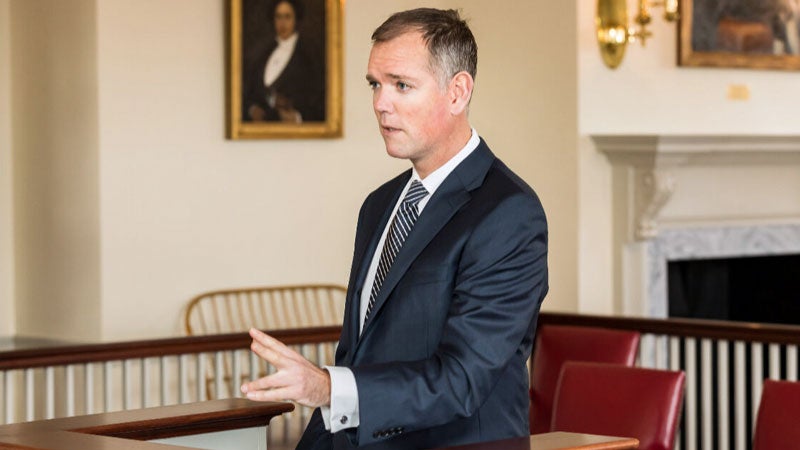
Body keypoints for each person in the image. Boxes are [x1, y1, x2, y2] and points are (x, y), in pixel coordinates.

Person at [240, 8, 548, 449]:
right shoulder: (379, 205)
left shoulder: (509, 213)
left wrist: (327, 388)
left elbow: (462, 380)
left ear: (457, 92)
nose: (380, 103)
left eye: (401, 85)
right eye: (375, 84)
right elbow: (358, 359)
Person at [242, 0, 325, 123]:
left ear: (296, 19)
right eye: (278, 17)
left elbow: (318, 99)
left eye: (287, 17)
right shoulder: (264, 54)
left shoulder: (308, 54)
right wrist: (252, 109)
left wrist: (297, 117)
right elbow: (250, 94)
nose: (282, 23)